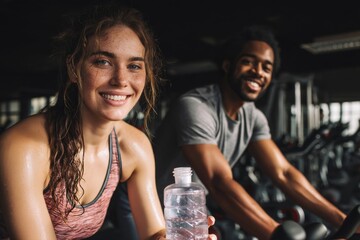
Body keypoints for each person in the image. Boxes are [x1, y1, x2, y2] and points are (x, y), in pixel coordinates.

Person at [0, 3, 216, 240]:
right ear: (74, 68)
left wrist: (178, 237)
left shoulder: (133, 146)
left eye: (134, 66)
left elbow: (154, 233)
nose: (121, 80)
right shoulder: (23, 148)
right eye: (103, 62)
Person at [153, 25, 350, 240]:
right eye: (248, 62)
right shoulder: (195, 107)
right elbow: (219, 182)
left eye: (267, 67)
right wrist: (277, 234)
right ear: (228, 65)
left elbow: (283, 173)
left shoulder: (253, 116)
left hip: (190, 207)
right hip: (149, 203)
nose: (258, 72)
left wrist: (344, 222)